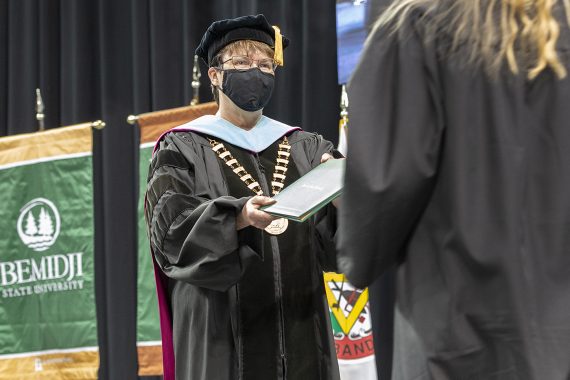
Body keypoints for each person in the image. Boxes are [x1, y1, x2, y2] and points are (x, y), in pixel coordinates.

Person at [337, 0, 570, 379]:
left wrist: (357, 259)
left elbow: (383, 187)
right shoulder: (561, 31)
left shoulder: (420, 28)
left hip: (456, 332)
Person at [144, 14, 340, 380]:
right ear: (215, 75)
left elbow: (343, 244)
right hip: (220, 333)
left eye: (266, 65)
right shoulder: (182, 146)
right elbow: (168, 230)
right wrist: (236, 218)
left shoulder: (309, 148)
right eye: (242, 63)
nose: (257, 72)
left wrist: (345, 200)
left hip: (301, 325)